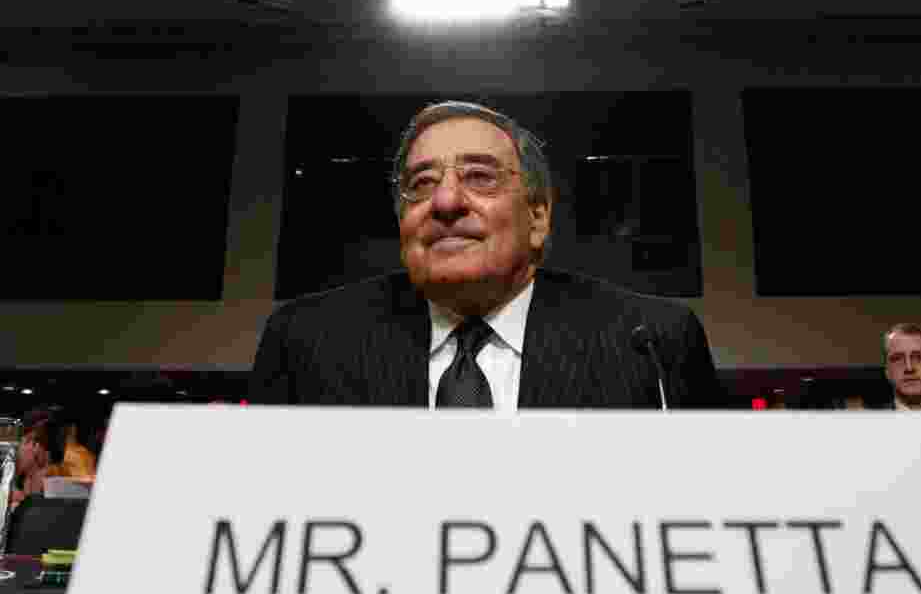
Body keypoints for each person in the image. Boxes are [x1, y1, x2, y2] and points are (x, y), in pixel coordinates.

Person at [250, 101, 728, 410]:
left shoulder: (650, 344)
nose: (446, 203)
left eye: (480, 177)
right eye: (421, 185)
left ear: (537, 217)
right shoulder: (306, 342)